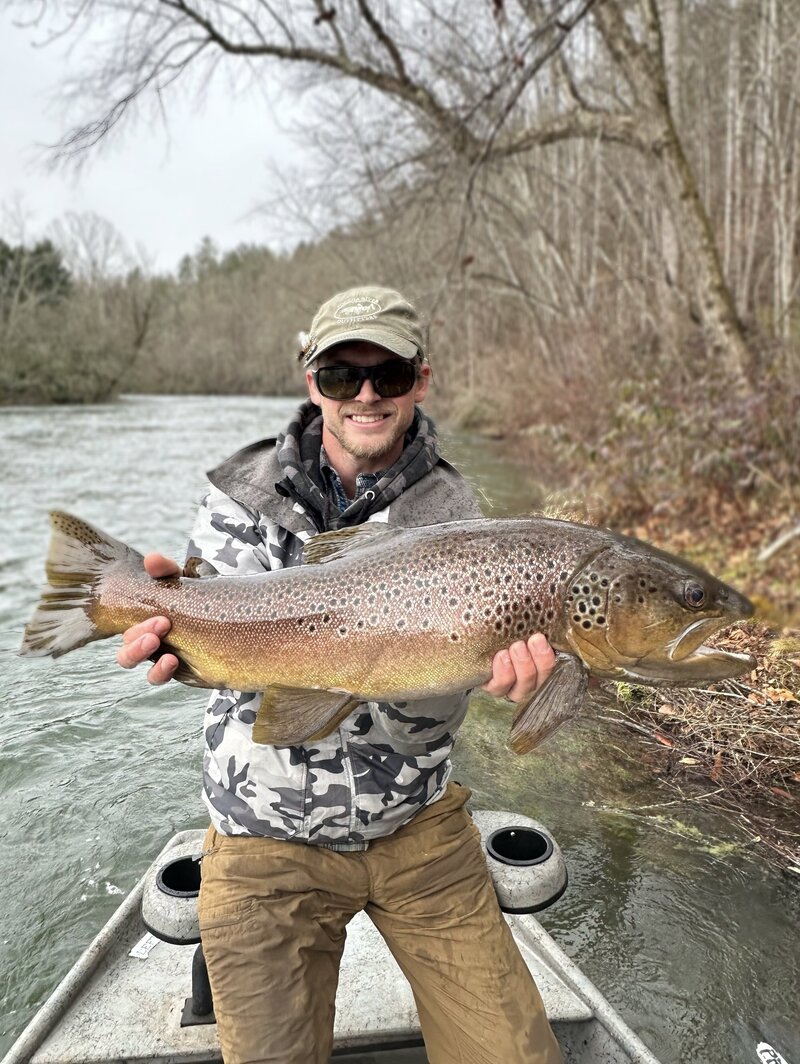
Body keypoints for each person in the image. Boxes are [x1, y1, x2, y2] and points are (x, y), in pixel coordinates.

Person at [118, 286, 563, 1064]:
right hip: (263, 836)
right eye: (340, 376)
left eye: (387, 376)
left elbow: (461, 698)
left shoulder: (458, 512)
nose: (365, 396)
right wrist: (172, 643)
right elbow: (230, 653)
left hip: (418, 827)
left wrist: (509, 682)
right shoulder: (238, 497)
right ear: (309, 378)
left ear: (420, 382)